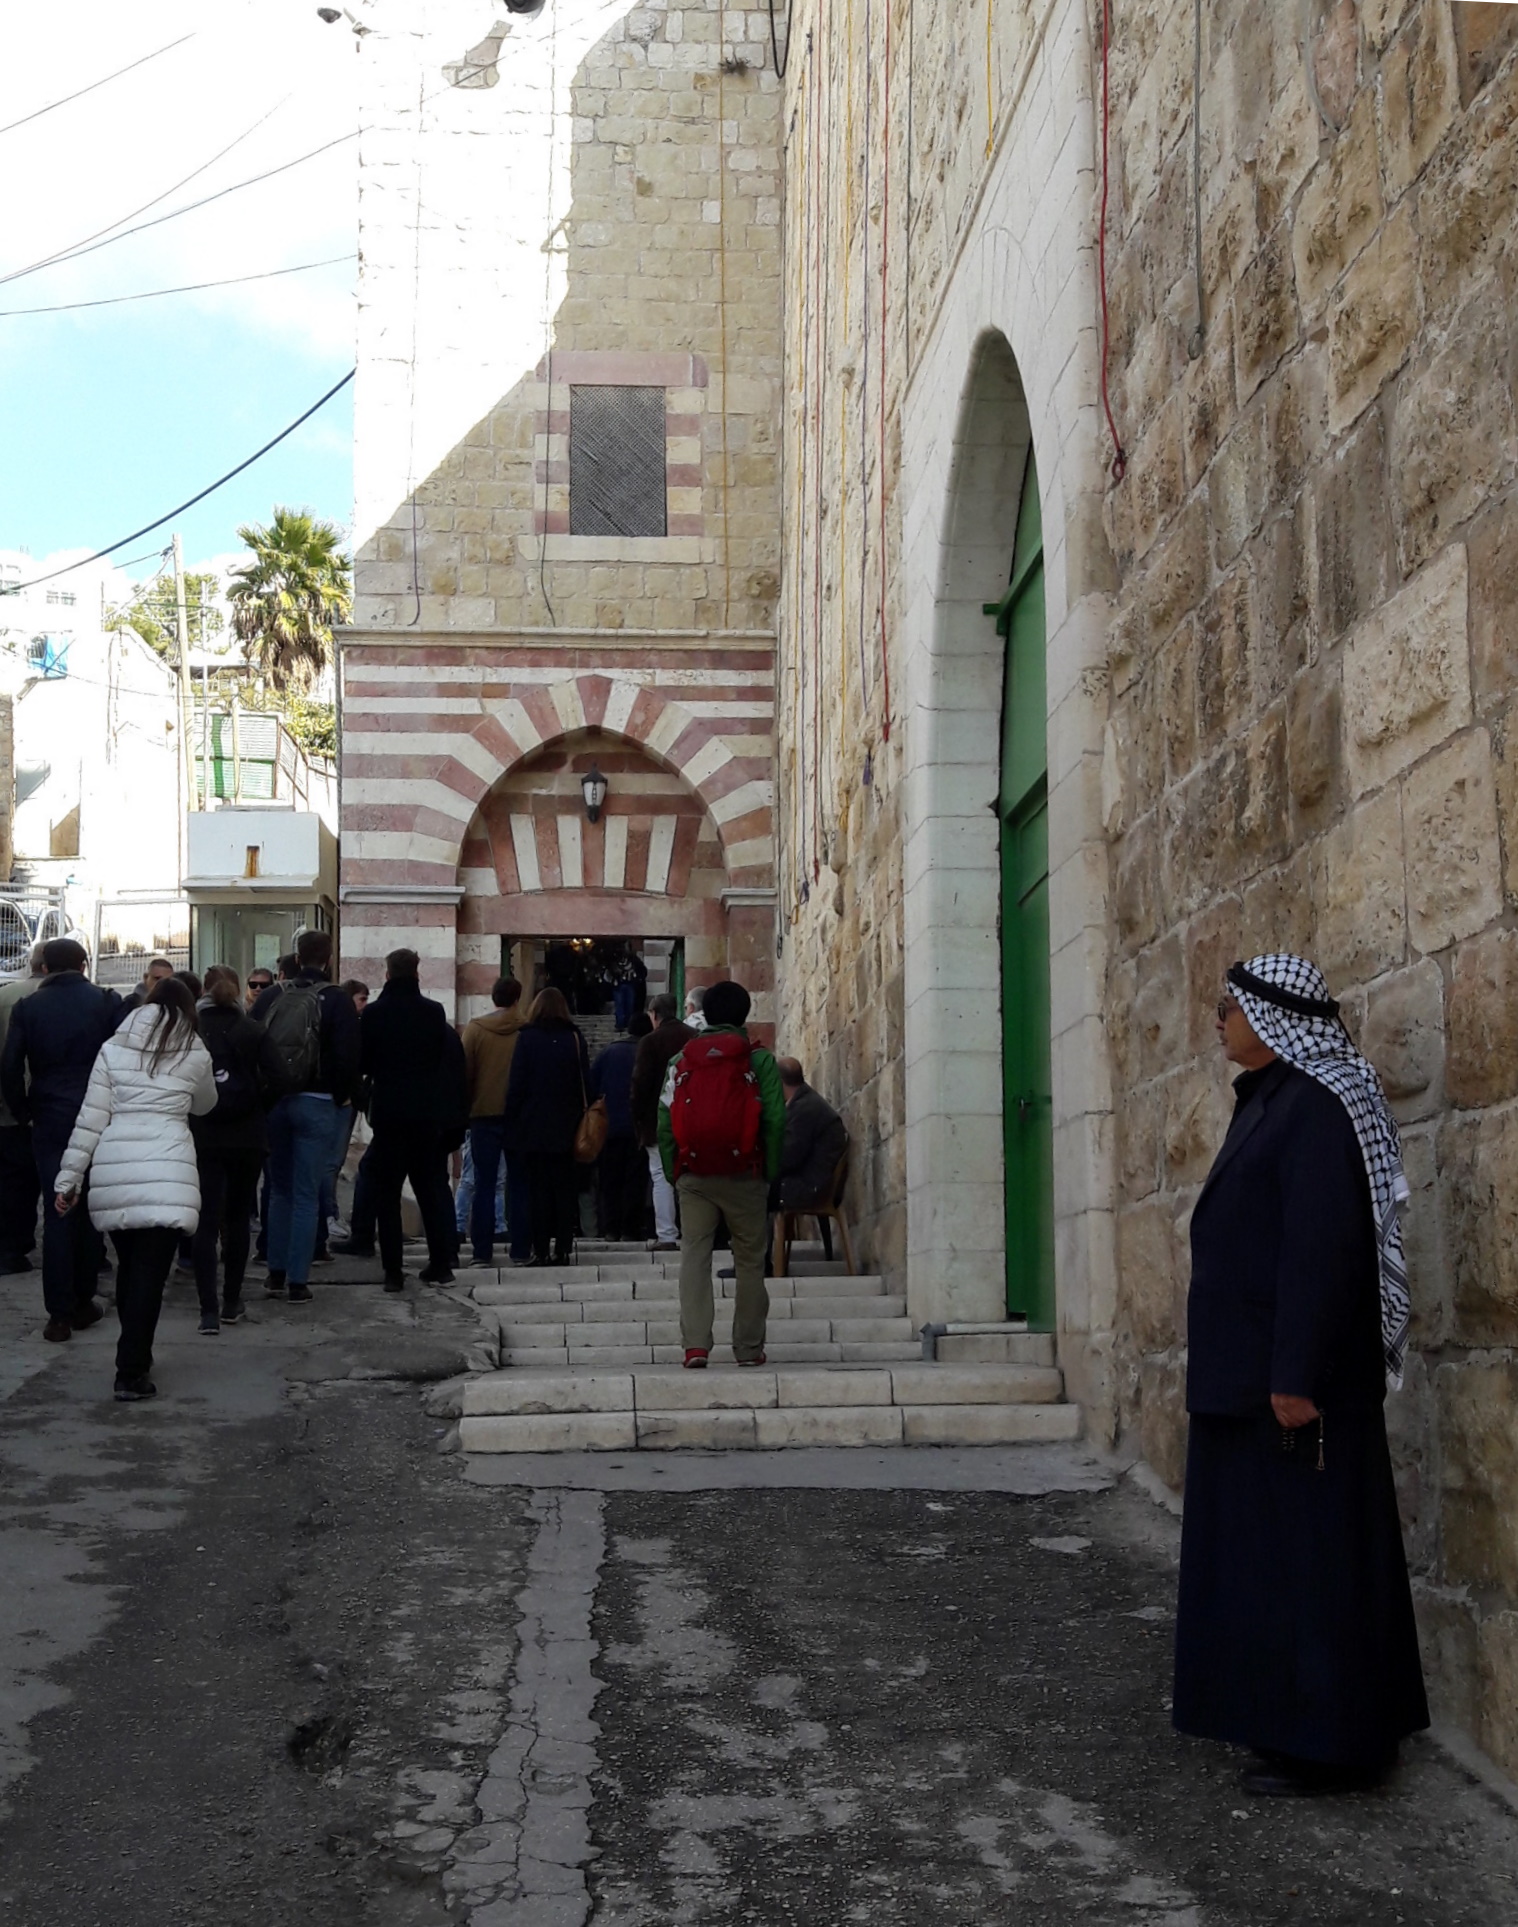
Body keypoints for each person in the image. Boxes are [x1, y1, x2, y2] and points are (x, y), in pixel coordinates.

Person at [1173, 952, 1430, 1796]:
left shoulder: (1315, 1109)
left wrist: (1294, 1376)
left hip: (1289, 1387)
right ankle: (1293, 1727)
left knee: (1311, 1563)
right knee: (1275, 1559)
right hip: (1252, 1377)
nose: (1218, 1019)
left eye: (1230, 1005)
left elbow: (1321, 1252)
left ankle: (1332, 1746)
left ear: (1274, 1017)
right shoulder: (1277, 1101)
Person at [53, 976, 216, 1400]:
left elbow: (91, 1118)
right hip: (168, 1167)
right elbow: (206, 1103)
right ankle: (131, 1370)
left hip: (114, 1166)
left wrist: (68, 1179)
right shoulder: (194, 1049)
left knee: (130, 1268)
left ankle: (133, 1352)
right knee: (150, 1273)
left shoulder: (113, 1048)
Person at [658, 979, 783, 1369]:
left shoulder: (680, 1061)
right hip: (746, 1172)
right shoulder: (758, 1060)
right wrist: (770, 1172)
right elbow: (776, 1120)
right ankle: (748, 1347)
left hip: (694, 1174)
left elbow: (664, 1119)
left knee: (695, 1256)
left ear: (704, 1014)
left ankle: (695, 1344)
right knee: (749, 1260)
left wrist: (672, 1172)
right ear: (744, 1015)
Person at [1, 937, 122, 1340]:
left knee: (57, 1210)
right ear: (85, 964)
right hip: (97, 1114)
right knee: (89, 1207)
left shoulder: (28, 1007)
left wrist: (24, 1112)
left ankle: (58, 1314)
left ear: (44, 968)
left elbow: (10, 1067)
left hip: (49, 1116)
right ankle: (83, 1299)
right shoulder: (106, 1002)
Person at [258, 929, 361, 1304]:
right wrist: (339, 1095)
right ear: (329, 959)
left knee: (278, 1190)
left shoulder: (272, 995)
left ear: (296, 958)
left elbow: (253, 1042)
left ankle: (275, 1271)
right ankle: (298, 1281)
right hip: (317, 1102)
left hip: (276, 1102)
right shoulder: (336, 1001)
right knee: (306, 1193)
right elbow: (350, 1056)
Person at [360, 948, 467, 1290]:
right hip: (425, 1115)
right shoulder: (433, 1013)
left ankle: (393, 1272)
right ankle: (440, 1264)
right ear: (417, 973)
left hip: (390, 1114)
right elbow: (440, 1060)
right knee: (431, 1190)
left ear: (387, 974)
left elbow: (364, 1063)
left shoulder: (375, 1014)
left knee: (387, 1194)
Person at [191, 966, 280, 1331]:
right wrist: (257, 1104)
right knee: (239, 1218)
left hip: (204, 1134)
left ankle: (207, 1309)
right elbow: (280, 1077)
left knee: (205, 1221)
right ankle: (231, 1300)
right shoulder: (252, 1029)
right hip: (246, 1135)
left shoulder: (192, 1030)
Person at [503, 988, 591, 1266]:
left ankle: (540, 1249)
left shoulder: (527, 1038)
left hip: (533, 1127)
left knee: (537, 1192)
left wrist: (512, 1121)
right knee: (564, 1192)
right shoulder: (574, 1038)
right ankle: (563, 1249)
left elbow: (516, 1084)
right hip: (568, 1126)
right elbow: (585, 1083)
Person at [461, 976, 528, 1266]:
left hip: (482, 1115)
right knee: (520, 1183)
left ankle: (481, 1252)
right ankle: (521, 1249)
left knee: (483, 1184)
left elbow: (465, 1074)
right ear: (517, 999)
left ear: (493, 997)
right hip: (519, 1117)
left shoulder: (476, 1030)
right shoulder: (526, 1030)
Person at [631, 992, 693, 1252]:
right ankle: (696, 1231)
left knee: (660, 1176)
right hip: (692, 1119)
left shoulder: (649, 1042)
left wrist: (638, 1117)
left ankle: (667, 1233)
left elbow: (640, 1084)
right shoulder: (693, 1037)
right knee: (692, 1175)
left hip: (658, 1121)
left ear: (654, 1015)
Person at [0, 943, 46, 1275]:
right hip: (51, 1104)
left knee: (13, 1179)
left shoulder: (6, 994)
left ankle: (12, 1246)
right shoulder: (67, 998)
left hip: (8, 1105)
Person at [774, 1056, 849, 1257]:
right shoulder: (804, 1101)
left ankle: (755, 1264)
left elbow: (789, 1157)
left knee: (751, 1192)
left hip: (812, 1186)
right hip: (814, 1180)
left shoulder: (804, 1108)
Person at [592, 1011, 652, 1239]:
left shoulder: (609, 1051)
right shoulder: (647, 1051)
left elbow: (592, 1083)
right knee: (635, 1180)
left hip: (609, 1126)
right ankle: (631, 1228)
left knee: (610, 1179)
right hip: (638, 1127)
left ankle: (611, 1227)